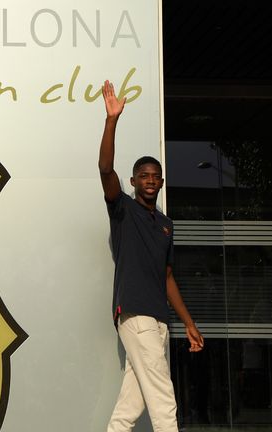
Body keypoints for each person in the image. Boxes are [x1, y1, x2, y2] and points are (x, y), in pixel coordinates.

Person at [98, 80, 205, 432]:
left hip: (159, 321)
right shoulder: (123, 209)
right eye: (143, 176)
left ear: (160, 183)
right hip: (136, 314)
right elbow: (104, 169)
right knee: (163, 400)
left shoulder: (165, 224)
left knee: (130, 407)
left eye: (155, 177)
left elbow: (168, 277)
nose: (149, 180)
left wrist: (188, 323)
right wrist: (111, 120)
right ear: (133, 181)